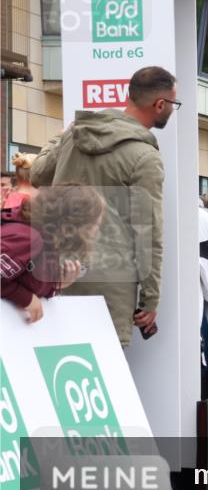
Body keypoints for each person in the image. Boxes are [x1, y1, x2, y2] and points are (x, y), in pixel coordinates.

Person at [30, 66, 175, 345]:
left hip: (54, 273)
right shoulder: (144, 156)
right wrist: (150, 298)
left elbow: (37, 174)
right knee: (104, 368)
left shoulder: (74, 135)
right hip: (110, 283)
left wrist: (60, 137)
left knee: (54, 363)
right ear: (160, 104)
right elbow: (149, 231)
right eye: (173, 103)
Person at [1, 183, 104, 322]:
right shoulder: (28, 238)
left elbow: (26, 282)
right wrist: (25, 298)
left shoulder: (48, 242)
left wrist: (59, 283)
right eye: (95, 224)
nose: (97, 230)